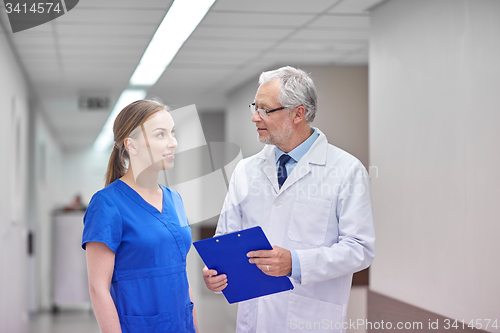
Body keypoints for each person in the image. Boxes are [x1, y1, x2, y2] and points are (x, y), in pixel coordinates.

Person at [202, 66, 375, 332]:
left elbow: (359, 249)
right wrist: (216, 274)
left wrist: (295, 263)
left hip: (309, 320)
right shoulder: (246, 170)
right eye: (254, 107)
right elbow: (226, 239)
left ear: (298, 113)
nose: (255, 118)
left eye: (265, 109)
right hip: (254, 320)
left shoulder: (346, 170)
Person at [82, 100, 198, 333]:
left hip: (181, 324)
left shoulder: (175, 199)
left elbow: (180, 273)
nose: (172, 143)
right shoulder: (107, 204)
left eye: (172, 133)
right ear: (131, 145)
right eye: (160, 134)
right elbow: (98, 288)